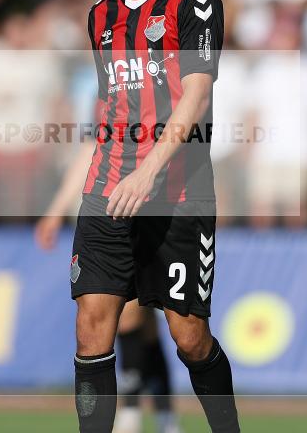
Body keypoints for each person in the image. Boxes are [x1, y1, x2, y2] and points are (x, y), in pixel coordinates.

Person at [69, 0, 239, 432]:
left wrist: (148, 170)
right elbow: (112, 107)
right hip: (109, 190)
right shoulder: (100, 15)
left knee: (189, 338)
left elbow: (196, 95)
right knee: (93, 326)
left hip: (178, 193)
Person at [34, 137, 181, 433]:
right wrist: (58, 208)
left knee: (144, 322)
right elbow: (90, 150)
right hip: (110, 214)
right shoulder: (109, 97)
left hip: (152, 212)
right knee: (135, 320)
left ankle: (151, 413)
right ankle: (144, 413)